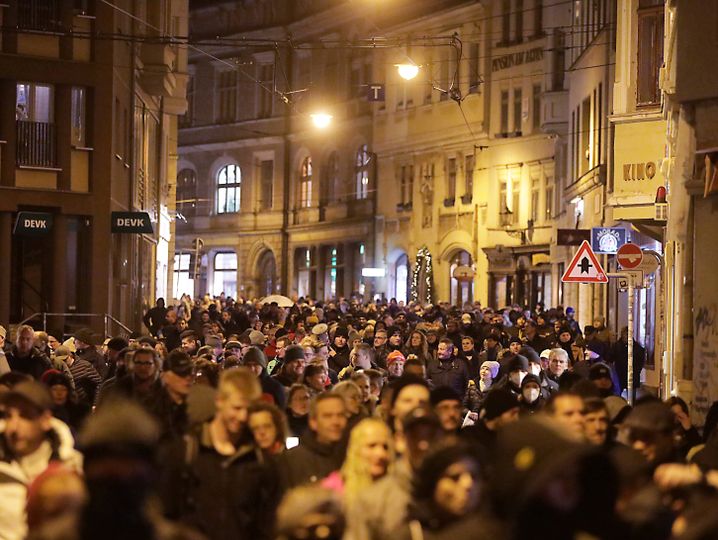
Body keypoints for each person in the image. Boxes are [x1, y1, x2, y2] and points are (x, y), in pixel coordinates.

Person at [159, 368, 278, 540]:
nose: (243, 416)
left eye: (249, 410)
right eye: (237, 408)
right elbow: (166, 514)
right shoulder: (186, 451)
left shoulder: (260, 460)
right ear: (219, 401)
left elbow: (266, 524)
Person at [0, 381, 82, 540]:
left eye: (25, 416)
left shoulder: (73, 468)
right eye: (8, 415)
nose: (13, 427)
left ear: (45, 420)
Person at [400, 441, 482, 538]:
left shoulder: (490, 531)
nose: (468, 484)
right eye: (454, 477)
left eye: (474, 476)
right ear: (431, 485)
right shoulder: (411, 534)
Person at [276, 392, 348, 491]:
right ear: (313, 422)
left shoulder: (354, 454)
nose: (335, 421)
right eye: (327, 416)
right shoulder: (293, 460)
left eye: (340, 415)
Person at [147, 349, 194, 443]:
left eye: (189, 373)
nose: (188, 378)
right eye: (181, 373)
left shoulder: (197, 407)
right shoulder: (149, 408)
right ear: (165, 376)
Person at [461, 388, 519, 459]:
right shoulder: (468, 437)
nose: (516, 418)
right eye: (512, 413)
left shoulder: (509, 439)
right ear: (498, 413)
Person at [96, 347, 162, 407]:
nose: (142, 367)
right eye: (138, 363)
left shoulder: (164, 389)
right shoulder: (114, 388)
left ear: (155, 365)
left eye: (147, 363)